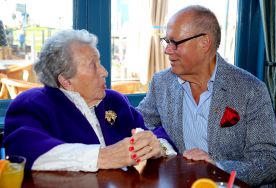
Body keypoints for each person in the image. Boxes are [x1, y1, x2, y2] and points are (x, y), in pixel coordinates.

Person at [137, 5, 276, 187]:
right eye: (167, 41)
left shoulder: (251, 89)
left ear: (204, 42)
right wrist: (162, 146)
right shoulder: (161, 83)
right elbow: (138, 123)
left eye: (176, 43)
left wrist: (217, 167)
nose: (167, 50)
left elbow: (269, 162)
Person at [3, 29, 176, 171]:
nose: (104, 72)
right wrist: (104, 156)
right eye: (93, 65)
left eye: (99, 62)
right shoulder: (34, 103)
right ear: (66, 80)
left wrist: (157, 146)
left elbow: (151, 132)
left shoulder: (114, 100)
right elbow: (22, 148)